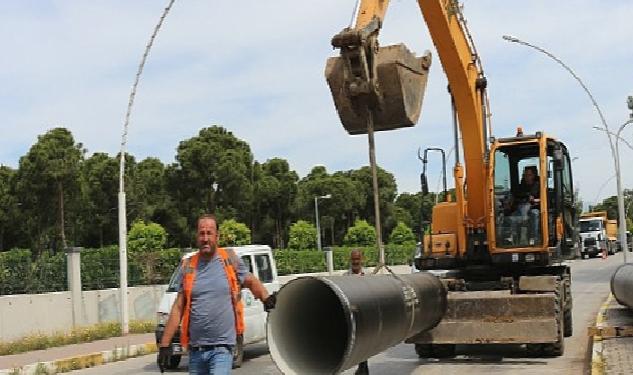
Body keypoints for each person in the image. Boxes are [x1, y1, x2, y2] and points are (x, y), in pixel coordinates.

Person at [158, 214, 276, 374]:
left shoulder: (230, 260)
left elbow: (251, 281)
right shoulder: (188, 265)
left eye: (209, 233)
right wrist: (165, 345)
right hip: (196, 349)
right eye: (202, 233)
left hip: (222, 348)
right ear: (197, 236)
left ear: (217, 236)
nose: (205, 238)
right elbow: (178, 307)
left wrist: (266, 298)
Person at [345, 249, 368, 375]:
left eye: (357, 259)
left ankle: (363, 369)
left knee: (364, 345)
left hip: (364, 317)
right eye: (353, 259)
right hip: (351, 317)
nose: (355, 262)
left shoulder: (367, 276)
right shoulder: (345, 278)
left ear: (361, 259)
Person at [513, 166, 541, 244]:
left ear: (534, 175)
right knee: (512, 217)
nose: (527, 177)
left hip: (534, 208)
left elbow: (544, 199)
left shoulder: (539, 186)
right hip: (521, 208)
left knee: (534, 214)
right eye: (525, 175)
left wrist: (535, 200)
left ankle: (533, 238)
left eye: (529, 175)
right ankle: (514, 239)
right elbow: (516, 196)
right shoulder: (521, 186)